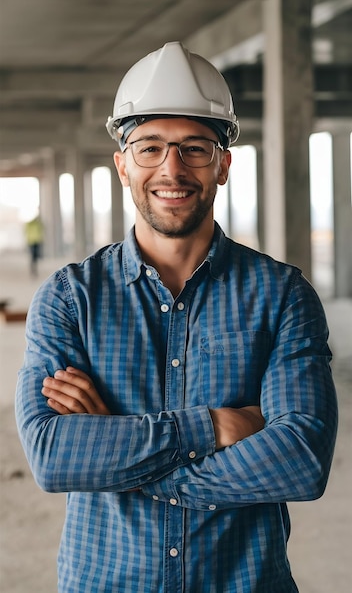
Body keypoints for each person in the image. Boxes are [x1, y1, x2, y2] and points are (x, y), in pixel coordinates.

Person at [16, 42, 338, 593]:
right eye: (149, 148)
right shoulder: (70, 299)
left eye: (194, 148)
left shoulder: (282, 296)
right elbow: (51, 456)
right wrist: (213, 426)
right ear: (122, 164)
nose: (171, 169)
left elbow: (302, 460)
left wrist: (118, 456)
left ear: (224, 165)